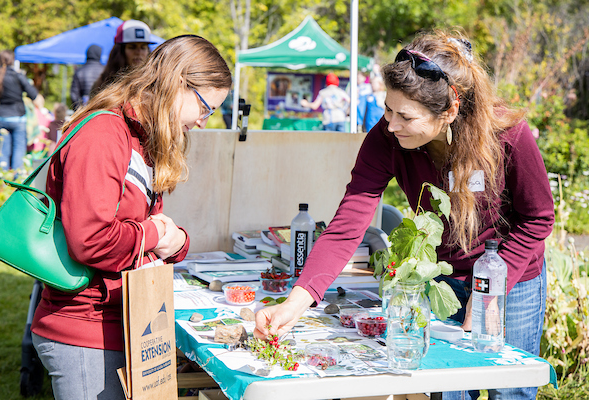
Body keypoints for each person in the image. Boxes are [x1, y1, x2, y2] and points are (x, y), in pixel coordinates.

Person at [256, 29, 554, 400]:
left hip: (512, 278)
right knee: (446, 388)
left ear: (450, 110)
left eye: (405, 117)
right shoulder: (386, 139)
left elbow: (538, 217)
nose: (391, 125)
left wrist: (490, 291)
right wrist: (294, 304)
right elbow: (347, 227)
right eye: (387, 109)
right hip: (442, 281)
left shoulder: (508, 135)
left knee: (509, 390)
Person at [31, 35, 232, 400]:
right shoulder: (104, 134)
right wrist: (156, 236)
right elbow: (90, 240)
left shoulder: (137, 137)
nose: (203, 122)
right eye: (205, 108)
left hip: (116, 320)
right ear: (177, 84)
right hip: (84, 330)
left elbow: (143, 222)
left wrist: (175, 240)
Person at [0, 50, 38, 171]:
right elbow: (33, 94)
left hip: (2, 116)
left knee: (3, 150)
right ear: (12, 60)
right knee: (19, 149)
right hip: (18, 117)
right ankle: (17, 180)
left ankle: (1, 179)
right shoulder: (18, 75)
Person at [90, 20, 154, 96]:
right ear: (120, 52)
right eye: (132, 47)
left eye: (143, 47)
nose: (139, 52)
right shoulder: (102, 85)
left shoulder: (154, 84)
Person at [70, 44, 104, 110]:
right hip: (100, 108)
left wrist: (78, 110)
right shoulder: (105, 71)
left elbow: (74, 95)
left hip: (84, 109)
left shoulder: (80, 71)